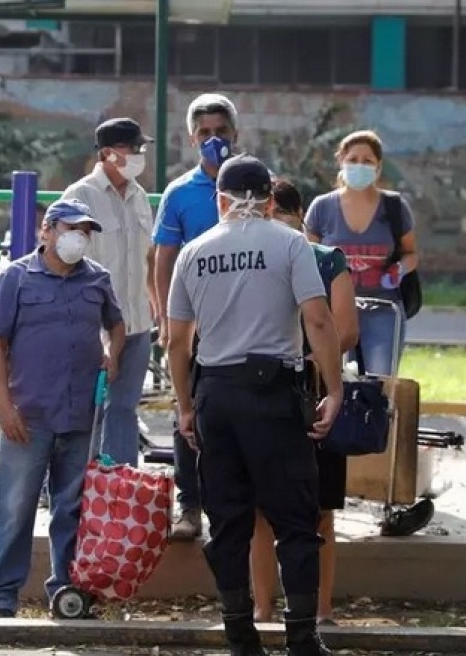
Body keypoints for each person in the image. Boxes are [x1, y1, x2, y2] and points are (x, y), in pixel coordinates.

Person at [166, 155, 344, 656]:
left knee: (228, 522)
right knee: (294, 519)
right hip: (275, 394)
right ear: (269, 199)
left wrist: (185, 406)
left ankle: (241, 637)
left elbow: (178, 343)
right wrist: (334, 388)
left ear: (218, 200)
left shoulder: (193, 252)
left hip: (216, 394)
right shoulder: (289, 243)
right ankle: (302, 637)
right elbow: (318, 320)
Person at [0, 199, 126, 618]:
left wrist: (112, 353)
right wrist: (4, 408)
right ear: (47, 231)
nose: (79, 237)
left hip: (80, 415)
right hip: (28, 416)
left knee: (73, 509)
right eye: (70, 228)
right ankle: (2, 597)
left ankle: (67, 593)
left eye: (86, 230)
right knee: (14, 507)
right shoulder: (15, 277)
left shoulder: (97, 279)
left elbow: (117, 324)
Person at [251, 179, 358, 626]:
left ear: (299, 217)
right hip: (271, 393)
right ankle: (262, 606)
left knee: (319, 509)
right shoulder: (254, 261)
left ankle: (320, 607)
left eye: (283, 214)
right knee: (261, 509)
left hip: (311, 393)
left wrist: (306, 360)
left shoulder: (327, 260)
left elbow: (345, 329)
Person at [153, 92, 240, 540]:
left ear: (235, 134)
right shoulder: (180, 193)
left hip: (247, 323)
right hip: (194, 323)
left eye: (220, 132)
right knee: (187, 413)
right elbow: (163, 260)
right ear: (192, 139)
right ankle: (190, 507)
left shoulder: (255, 184)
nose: (213, 141)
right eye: (204, 133)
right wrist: (167, 320)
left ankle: (236, 508)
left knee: (238, 414)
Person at [59, 117, 157, 467]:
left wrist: (155, 304)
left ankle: (119, 487)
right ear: (108, 153)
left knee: (124, 409)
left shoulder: (139, 196)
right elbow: (66, 263)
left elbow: (148, 256)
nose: (139, 154)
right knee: (86, 409)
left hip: (137, 323)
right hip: (96, 325)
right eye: (132, 148)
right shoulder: (80, 197)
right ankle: (69, 486)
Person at [304, 130, 419, 376]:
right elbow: (306, 257)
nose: (359, 166)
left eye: (367, 161)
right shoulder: (322, 207)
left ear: (378, 167)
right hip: (335, 313)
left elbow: (411, 253)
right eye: (353, 159)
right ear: (341, 162)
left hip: (383, 310)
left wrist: (399, 269)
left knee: (379, 382)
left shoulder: (395, 207)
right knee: (335, 381)